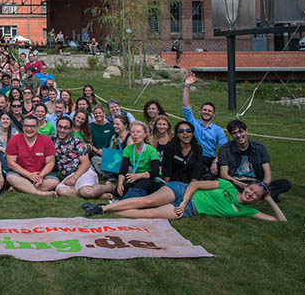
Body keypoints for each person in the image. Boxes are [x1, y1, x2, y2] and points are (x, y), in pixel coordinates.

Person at [83, 178, 286, 222]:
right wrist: (183, 201)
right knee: (149, 201)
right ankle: (106, 208)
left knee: (150, 215)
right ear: (247, 186)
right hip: (182, 192)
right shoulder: (228, 186)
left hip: (191, 209)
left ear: (258, 199)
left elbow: (281, 221)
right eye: (251, 189)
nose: (250, 194)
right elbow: (195, 184)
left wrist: (269, 200)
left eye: (256, 195)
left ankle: (101, 209)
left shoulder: (247, 211)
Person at [218, 119, 291, 202]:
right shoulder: (225, 149)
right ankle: (260, 197)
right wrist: (245, 186)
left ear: (246, 131)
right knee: (224, 185)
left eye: (241, 132)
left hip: (256, 182)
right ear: (231, 135)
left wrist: (262, 186)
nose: (238, 135)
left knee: (285, 183)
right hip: (236, 182)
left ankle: (256, 195)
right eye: (234, 133)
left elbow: (267, 173)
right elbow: (224, 175)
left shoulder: (260, 148)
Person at [53, 117, 114, 200]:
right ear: (56, 127)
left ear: (71, 129)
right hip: (68, 176)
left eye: (66, 128)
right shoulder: (52, 140)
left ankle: (109, 187)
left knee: (86, 192)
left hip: (83, 171)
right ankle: (98, 196)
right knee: (61, 190)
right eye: (60, 127)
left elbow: (85, 163)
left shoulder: (77, 142)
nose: (62, 130)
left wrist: (74, 178)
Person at [183, 72, 227, 177]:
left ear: (213, 114)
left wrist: (216, 162)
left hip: (210, 159)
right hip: (194, 157)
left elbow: (224, 148)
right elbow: (186, 105)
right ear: (200, 111)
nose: (206, 112)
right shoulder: (194, 124)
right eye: (204, 110)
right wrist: (187, 86)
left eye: (209, 111)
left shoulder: (218, 130)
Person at [5, 115, 57, 196]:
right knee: (10, 177)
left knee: (54, 182)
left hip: (40, 173)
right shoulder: (14, 139)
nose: (29, 129)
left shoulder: (46, 141)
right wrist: (29, 175)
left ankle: (20, 188)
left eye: (32, 126)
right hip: (20, 174)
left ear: (38, 127)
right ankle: (39, 193)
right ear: (22, 127)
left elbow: (50, 162)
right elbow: (10, 162)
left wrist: (40, 176)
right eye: (26, 126)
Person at [116, 121, 162, 200]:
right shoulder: (128, 149)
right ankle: (135, 197)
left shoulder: (151, 150)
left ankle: (122, 202)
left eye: (138, 132)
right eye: (132, 132)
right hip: (136, 178)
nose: (135, 134)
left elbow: (155, 172)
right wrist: (120, 184)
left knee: (142, 185)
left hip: (152, 178)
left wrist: (138, 176)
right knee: (118, 191)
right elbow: (123, 170)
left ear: (144, 135)